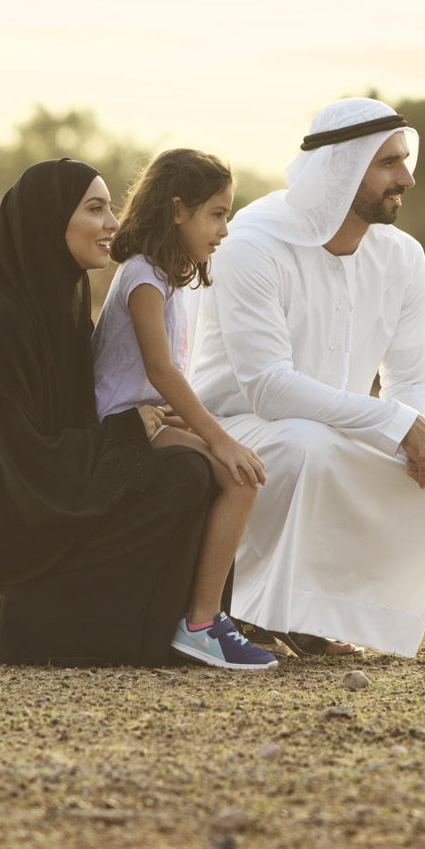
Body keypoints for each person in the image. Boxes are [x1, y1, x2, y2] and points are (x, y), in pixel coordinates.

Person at [185, 98, 425, 657]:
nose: (407, 178)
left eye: (406, 160)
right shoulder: (254, 244)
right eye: (389, 163)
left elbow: (414, 381)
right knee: (305, 445)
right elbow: (269, 388)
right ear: (342, 167)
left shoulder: (403, 257)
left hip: (337, 430)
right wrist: (397, 424)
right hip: (234, 430)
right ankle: (248, 609)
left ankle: (316, 614)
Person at [0, 158, 219, 667]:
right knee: (186, 473)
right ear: (49, 222)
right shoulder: (1, 326)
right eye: (96, 209)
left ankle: (164, 627)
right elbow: (20, 459)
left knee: (193, 469)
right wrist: (129, 430)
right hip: (19, 509)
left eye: (110, 207)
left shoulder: (64, 309)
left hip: (63, 482)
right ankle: (40, 623)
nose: (113, 223)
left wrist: (153, 420)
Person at [90, 147, 275, 670]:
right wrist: (219, 438)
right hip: (121, 428)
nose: (224, 229)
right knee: (241, 477)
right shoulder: (143, 276)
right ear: (177, 210)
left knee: (243, 476)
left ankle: (208, 617)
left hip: (146, 416)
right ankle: (200, 624)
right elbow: (160, 370)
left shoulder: (162, 276)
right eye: (216, 214)